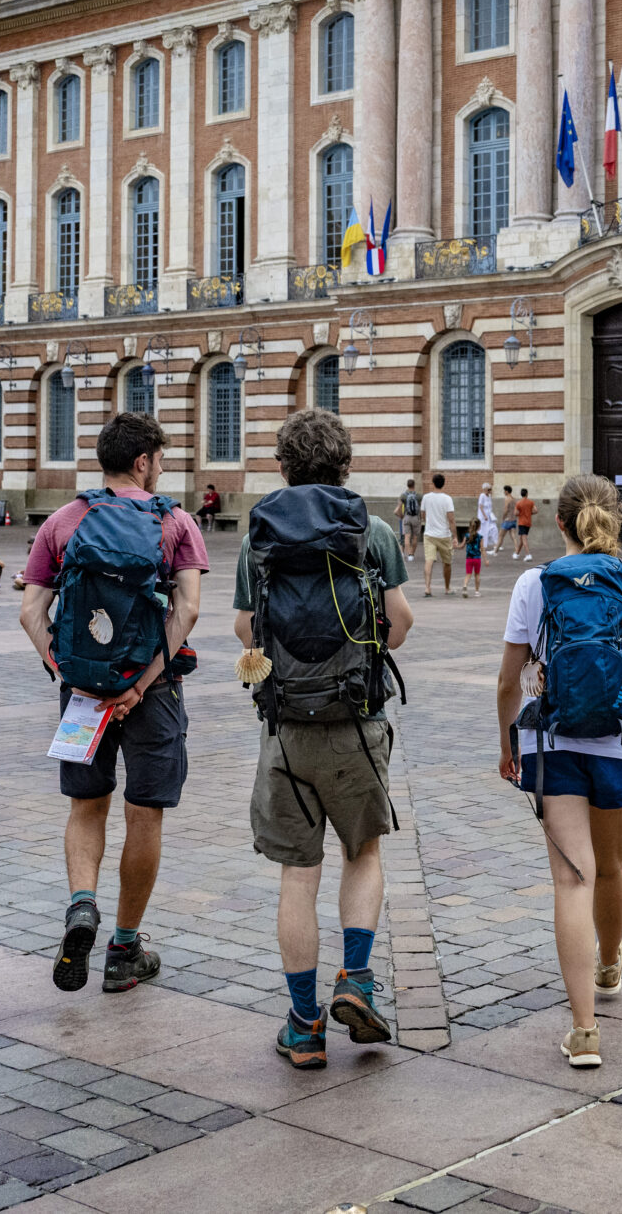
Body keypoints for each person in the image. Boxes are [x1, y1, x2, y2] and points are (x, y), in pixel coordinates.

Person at [232, 406, 415, 1069]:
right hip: (356, 725)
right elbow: (400, 621)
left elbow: (243, 628)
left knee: (296, 873)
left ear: (283, 466)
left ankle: (304, 1026)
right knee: (362, 852)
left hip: (286, 727)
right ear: (345, 465)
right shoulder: (372, 529)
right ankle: (358, 980)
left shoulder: (262, 534)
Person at [495, 475, 622, 1070]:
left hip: (552, 746)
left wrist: (510, 745)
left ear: (559, 523)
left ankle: (583, 1030)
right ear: (618, 521)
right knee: (609, 867)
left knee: (571, 880)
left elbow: (508, 680)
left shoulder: (533, 583)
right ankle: (609, 964)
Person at [21, 412, 207, 997]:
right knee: (143, 813)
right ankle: (124, 949)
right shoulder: (176, 522)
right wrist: (140, 683)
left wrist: (71, 674)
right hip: (151, 695)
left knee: (86, 807)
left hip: (81, 696)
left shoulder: (62, 521)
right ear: (143, 462)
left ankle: (82, 906)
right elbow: (189, 611)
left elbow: (30, 613)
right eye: (160, 459)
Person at [419, 472, 457, 597]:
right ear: (443, 484)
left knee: (429, 561)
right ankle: (447, 588)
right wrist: (455, 537)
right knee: (447, 562)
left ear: (433, 483)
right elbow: (451, 519)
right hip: (444, 535)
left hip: (429, 534)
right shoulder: (447, 499)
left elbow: (422, 515)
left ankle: (427, 588)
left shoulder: (426, 497)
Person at [462, 517, 486, 598]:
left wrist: (455, 546)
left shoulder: (467, 536)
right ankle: (477, 591)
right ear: (479, 527)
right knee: (477, 575)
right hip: (477, 559)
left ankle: (465, 585)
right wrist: (486, 560)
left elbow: (462, 546)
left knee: (468, 574)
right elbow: (482, 549)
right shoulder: (480, 537)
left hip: (469, 558)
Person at [510, 488, 534, 560]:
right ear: (527, 494)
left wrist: (521, 513)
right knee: (521, 539)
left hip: (522, 522)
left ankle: (528, 555)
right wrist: (529, 513)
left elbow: (515, 513)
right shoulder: (531, 502)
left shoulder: (519, 503)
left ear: (521, 494)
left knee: (524, 539)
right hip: (528, 522)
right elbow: (535, 510)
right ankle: (516, 553)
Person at [476, 485, 499, 557]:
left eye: (490, 490)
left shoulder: (489, 496)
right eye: (488, 490)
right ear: (485, 489)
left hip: (489, 517)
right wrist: (484, 515)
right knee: (482, 532)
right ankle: (481, 547)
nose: (490, 491)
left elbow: (490, 507)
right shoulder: (482, 496)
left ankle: (495, 545)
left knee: (493, 529)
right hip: (483, 518)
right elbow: (480, 507)